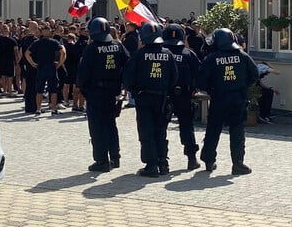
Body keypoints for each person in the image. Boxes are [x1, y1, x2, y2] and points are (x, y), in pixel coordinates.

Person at [198, 27, 259, 176]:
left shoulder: (212, 58)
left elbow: (200, 80)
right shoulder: (242, 56)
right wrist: (244, 86)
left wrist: (210, 89)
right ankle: (238, 164)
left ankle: (208, 160)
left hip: (218, 99)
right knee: (237, 130)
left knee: (213, 130)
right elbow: (255, 74)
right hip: (237, 99)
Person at [122, 21, 178, 177]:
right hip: (162, 98)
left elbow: (128, 77)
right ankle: (163, 163)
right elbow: (174, 77)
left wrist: (134, 91)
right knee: (161, 131)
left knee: (146, 132)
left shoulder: (139, 54)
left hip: (144, 97)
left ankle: (151, 165)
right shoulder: (168, 54)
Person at [76, 17, 129, 172]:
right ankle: (115, 157)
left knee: (97, 127)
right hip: (113, 92)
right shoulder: (117, 46)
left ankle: (101, 161)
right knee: (111, 125)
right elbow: (128, 64)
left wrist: (83, 89)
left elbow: (83, 72)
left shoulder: (92, 48)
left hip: (96, 92)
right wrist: (121, 83)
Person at [162, 22, 202, 170]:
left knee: (161, 128)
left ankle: (162, 161)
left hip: (163, 96)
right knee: (186, 126)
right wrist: (194, 89)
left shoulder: (161, 53)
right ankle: (192, 159)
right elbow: (200, 74)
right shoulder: (188, 53)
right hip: (184, 95)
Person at [25, 23, 66, 117]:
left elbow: (27, 53)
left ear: (42, 32)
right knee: (53, 89)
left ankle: (38, 109)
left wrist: (33, 63)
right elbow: (63, 52)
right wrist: (60, 63)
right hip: (51, 67)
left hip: (41, 67)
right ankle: (54, 109)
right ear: (50, 32)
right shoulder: (54, 42)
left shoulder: (37, 42)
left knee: (39, 89)